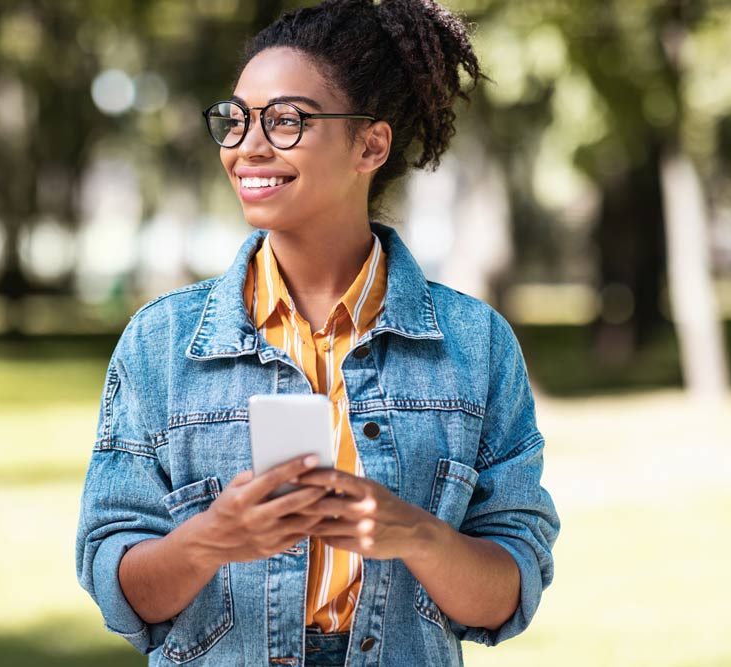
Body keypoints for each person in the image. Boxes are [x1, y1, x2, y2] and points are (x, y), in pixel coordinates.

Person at [75, 1, 559, 665]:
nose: (247, 145)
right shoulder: (160, 342)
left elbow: (508, 594)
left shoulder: (476, 347)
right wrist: (211, 538)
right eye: (236, 119)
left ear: (370, 144)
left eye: (284, 120)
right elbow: (119, 588)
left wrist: (415, 533)